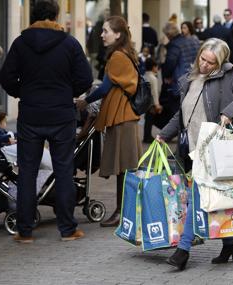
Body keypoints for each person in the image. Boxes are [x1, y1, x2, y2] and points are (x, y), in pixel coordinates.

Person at [156, 38, 233, 271]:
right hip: (192, 148)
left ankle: (183, 251)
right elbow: (183, 116)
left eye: (211, 63)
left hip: (216, 150)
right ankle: (230, 245)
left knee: (197, 197)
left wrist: (228, 112)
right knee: (212, 199)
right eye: (203, 58)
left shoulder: (232, 75)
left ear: (221, 63)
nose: (205, 65)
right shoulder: (191, 79)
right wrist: (163, 134)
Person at [0, 0, 92, 243]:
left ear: (33, 16)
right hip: (61, 114)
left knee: (27, 172)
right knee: (63, 170)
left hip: (30, 114)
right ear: (56, 16)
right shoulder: (69, 43)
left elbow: (6, 77)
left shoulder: (21, 43)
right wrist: (66, 92)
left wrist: (23, 92)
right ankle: (67, 229)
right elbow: (85, 78)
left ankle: (25, 231)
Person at [76, 16, 143, 228]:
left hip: (121, 115)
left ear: (118, 34)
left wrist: (85, 101)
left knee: (124, 168)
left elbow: (105, 87)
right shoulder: (125, 53)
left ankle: (122, 212)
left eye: (105, 31)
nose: (101, 34)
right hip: (124, 114)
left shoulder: (117, 56)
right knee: (126, 168)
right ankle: (124, 210)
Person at [161, 22, 200, 120]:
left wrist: (166, 75)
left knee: (178, 113)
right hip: (194, 80)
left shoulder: (174, 45)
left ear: (168, 35)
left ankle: (180, 133)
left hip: (179, 82)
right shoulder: (192, 41)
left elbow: (170, 63)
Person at [142, 58, 163, 143]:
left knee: (147, 119)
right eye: (156, 67)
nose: (157, 69)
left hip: (145, 101)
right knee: (149, 119)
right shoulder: (153, 78)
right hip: (151, 103)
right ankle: (147, 137)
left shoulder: (144, 76)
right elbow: (154, 92)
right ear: (153, 67)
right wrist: (157, 104)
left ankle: (146, 135)